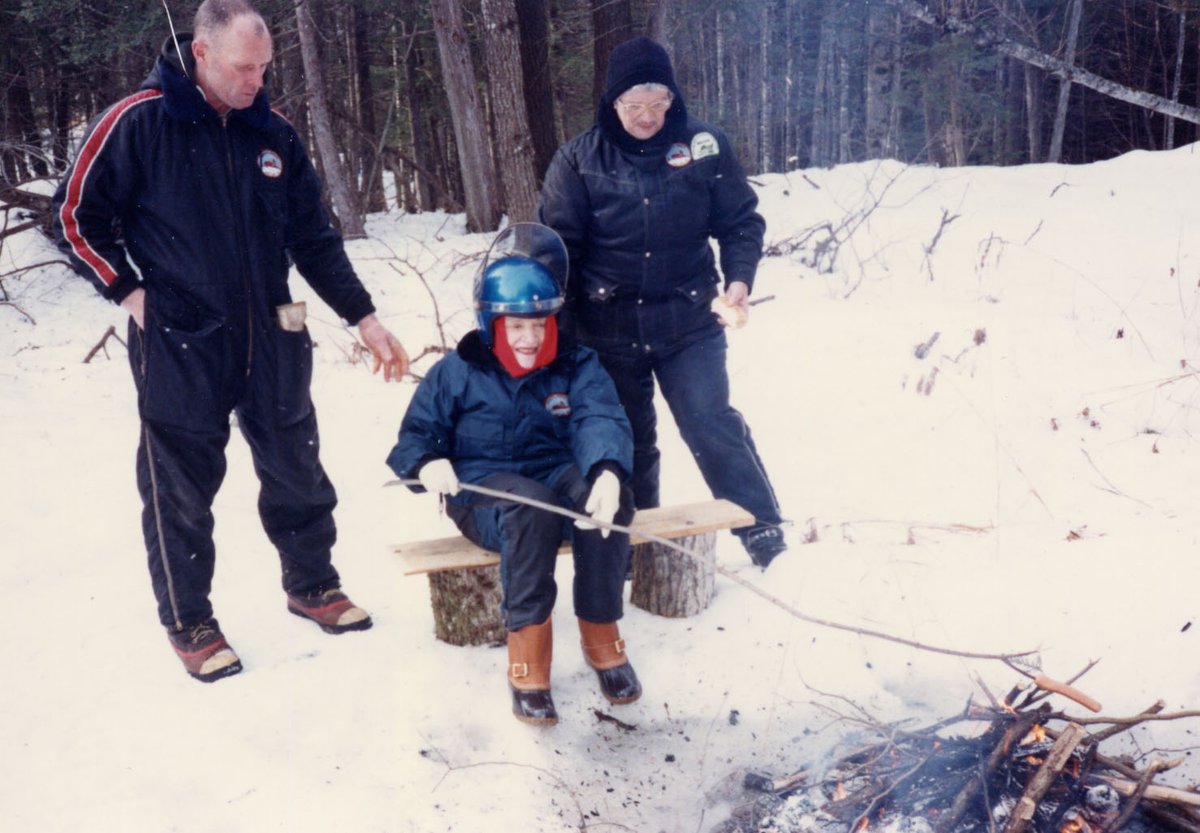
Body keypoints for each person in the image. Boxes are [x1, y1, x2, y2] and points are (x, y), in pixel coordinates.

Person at [51, 0, 409, 683]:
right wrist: (127, 292)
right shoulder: (137, 123)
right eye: (244, 67)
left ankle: (312, 583)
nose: (256, 81)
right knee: (181, 484)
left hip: (275, 328)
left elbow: (314, 239)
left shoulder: (271, 134)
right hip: (181, 338)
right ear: (203, 53)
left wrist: (363, 316)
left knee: (296, 463)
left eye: (265, 66)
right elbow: (73, 215)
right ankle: (189, 618)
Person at [538, 36, 787, 569]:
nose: (647, 116)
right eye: (634, 105)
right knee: (623, 438)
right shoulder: (578, 159)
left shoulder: (705, 146)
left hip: (689, 317)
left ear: (672, 100)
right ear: (612, 103)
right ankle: (632, 538)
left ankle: (760, 526)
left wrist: (740, 278)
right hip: (607, 324)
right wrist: (557, 333)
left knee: (708, 420)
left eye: (657, 104)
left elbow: (741, 221)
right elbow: (558, 252)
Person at [387, 223, 640, 726]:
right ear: (492, 324)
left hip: (554, 469)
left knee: (610, 500)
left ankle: (600, 629)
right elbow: (415, 437)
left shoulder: (575, 363)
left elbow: (599, 417)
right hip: (481, 489)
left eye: (539, 324)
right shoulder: (457, 371)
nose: (530, 338)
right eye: (516, 326)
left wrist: (607, 470)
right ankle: (528, 659)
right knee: (527, 510)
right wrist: (427, 463)